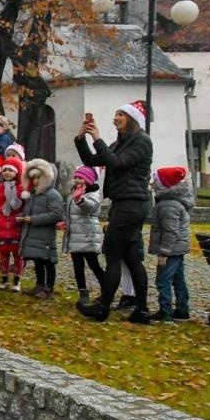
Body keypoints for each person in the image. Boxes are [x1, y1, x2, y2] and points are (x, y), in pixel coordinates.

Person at [75, 102, 154, 323]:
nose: (115, 118)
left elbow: (116, 164)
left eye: (120, 114)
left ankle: (103, 307)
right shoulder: (120, 143)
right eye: (115, 114)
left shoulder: (142, 142)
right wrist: (82, 138)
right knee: (131, 257)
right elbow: (91, 160)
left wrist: (98, 138)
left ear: (131, 119)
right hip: (124, 204)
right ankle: (142, 310)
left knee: (113, 255)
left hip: (131, 205)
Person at [149, 165, 193, 322]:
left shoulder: (168, 205)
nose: (152, 184)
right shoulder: (173, 201)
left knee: (163, 279)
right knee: (178, 278)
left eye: (155, 181)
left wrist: (164, 252)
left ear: (163, 185)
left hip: (171, 249)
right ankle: (182, 309)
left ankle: (165, 311)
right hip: (178, 248)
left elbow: (170, 231)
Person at [18, 159, 64, 298]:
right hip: (33, 235)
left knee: (47, 262)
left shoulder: (53, 195)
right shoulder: (33, 195)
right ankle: (39, 285)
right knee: (37, 260)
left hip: (45, 236)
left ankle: (48, 288)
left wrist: (34, 219)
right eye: (33, 178)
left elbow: (56, 214)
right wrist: (21, 216)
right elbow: (28, 210)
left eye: (39, 177)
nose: (36, 181)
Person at [65, 165, 106, 308]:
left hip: (87, 234)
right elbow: (71, 211)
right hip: (76, 235)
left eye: (81, 177)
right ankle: (83, 292)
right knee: (77, 265)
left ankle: (107, 290)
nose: (77, 180)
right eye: (76, 177)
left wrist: (80, 200)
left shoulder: (93, 194)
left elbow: (91, 207)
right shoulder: (74, 192)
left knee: (93, 264)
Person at [0, 157, 24, 291]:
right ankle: (4, 278)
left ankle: (17, 279)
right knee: (3, 255)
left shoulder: (22, 189)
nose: (7, 173)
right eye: (5, 170)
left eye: (10, 170)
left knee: (18, 256)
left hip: (17, 227)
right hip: (2, 226)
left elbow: (25, 207)